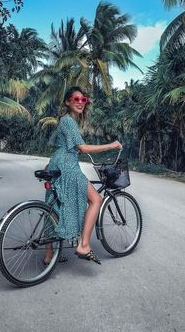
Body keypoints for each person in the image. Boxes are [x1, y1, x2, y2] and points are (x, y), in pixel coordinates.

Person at [44, 86, 122, 265]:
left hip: (57, 162)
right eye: (76, 99)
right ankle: (84, 245)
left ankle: (49, 255)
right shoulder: (69, 121)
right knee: (96, 199)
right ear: (68, 102)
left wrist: (51, 163)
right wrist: (111, 145)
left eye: (83, 100)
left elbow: (62, 146)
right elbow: (82, 148)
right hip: (67, 166)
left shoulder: (64, 121)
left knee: (53, 207)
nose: (80, 102)